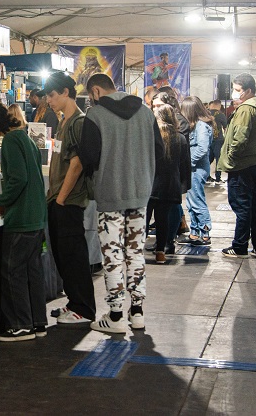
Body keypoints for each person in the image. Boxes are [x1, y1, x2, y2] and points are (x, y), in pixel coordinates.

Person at [79, 73, 164, 333]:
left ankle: (115, 315)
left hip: (109, 194)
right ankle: (137, 312)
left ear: (95, 92)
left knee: (112, 255)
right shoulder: (147, 113)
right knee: (136, 253)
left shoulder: (95, 116)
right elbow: (159, 152)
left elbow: (88, 157)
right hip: (140, 194)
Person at [0, 101, 47, 342]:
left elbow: (18, 180)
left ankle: (20, 325)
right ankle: (37, 321)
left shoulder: (11, 142)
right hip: (34, 217)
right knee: (31, 272)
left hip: (21, 218)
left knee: (12, 271)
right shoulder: (24, 138)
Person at [43, 72, 96, 324]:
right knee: (64, 255)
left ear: (65, 92)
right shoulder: (65, 122)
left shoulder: (78, 122)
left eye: (52, 95)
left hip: (69, 201)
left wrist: (61, 199)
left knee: (73, 256)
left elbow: (77, 164)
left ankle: (83, 309)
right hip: (58, 199)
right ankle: (75, 302)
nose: (49, 101)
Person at [217, 73, 256, 259]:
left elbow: (240, 138)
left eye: (237, 90)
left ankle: (239, 246)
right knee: (253, 205)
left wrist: (231, 158)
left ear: (248, 91)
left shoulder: (246, 109)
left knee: (241, 205)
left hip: (243, 164)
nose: (234, 93)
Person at [149, 97, 188, 263]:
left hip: (150, 183)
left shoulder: (151, 136)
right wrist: (182, 185)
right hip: (170, 185)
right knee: (162, 219)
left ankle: (134, 252)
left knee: (143, 218)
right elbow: (185, 165)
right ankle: (160, 252)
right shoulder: (180, 138)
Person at [177, 96, 214, 246]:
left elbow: (202, 149)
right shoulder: (196, 126)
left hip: (197, 169)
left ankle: (204, 233)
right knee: (192, 201)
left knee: (197, 201)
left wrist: (188, 163)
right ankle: (194, 233)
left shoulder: (201, 127)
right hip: (193, 168)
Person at [208, 100, 227, 184]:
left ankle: (207, 176)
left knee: (208, 158)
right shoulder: (221, 115)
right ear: (219, 106)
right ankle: (218, 178)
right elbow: (226, 128)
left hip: (208, 139)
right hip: (218, 139)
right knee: (218, 159)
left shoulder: (205, 114)